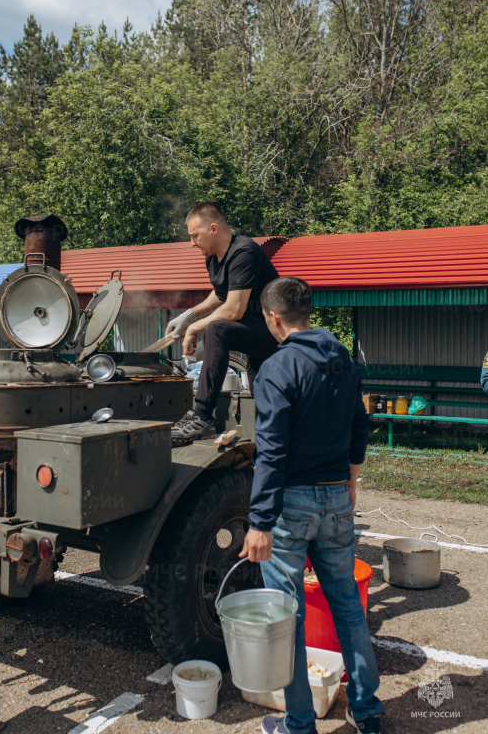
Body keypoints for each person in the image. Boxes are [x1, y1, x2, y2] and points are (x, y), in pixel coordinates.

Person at [240, 276, 384, 734]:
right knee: (346, 606)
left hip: (290, 506)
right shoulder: (341, 359)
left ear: (272, 318)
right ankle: (367, 711)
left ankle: (299, 723)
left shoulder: (278, 368)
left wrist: (259, 521)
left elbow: (272, 450)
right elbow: (361, 425)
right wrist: (351, 482)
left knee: (287, 620)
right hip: (336, 497)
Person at [168, 202, 279, 442]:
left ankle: (202, 415)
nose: (192, 243)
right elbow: (220, 295)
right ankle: (267, 456)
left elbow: (234, 309)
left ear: (214, 229)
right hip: (253, 335)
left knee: (217, 329)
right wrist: (187, 316)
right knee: (264, 403)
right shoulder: (213, 257)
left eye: (195, 235)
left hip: (274, 333)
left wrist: (195, 328)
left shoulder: (244, 252)